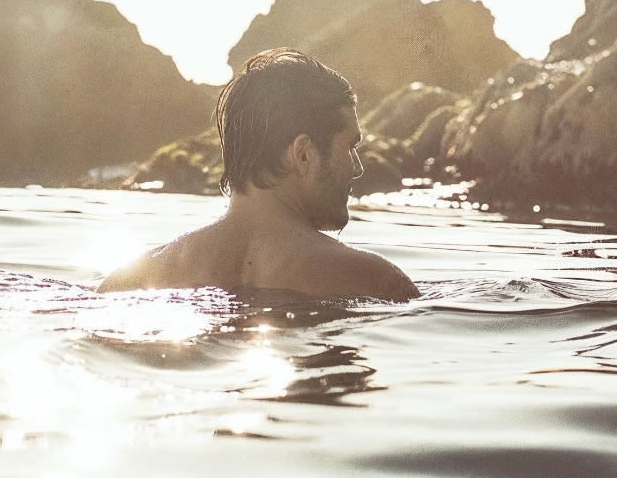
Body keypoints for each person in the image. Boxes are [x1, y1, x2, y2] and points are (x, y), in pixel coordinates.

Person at [99, 48, 418, 301]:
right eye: (349, 147)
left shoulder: (133, 279)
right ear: (303, 154)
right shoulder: (371, 278)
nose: (358, 167)